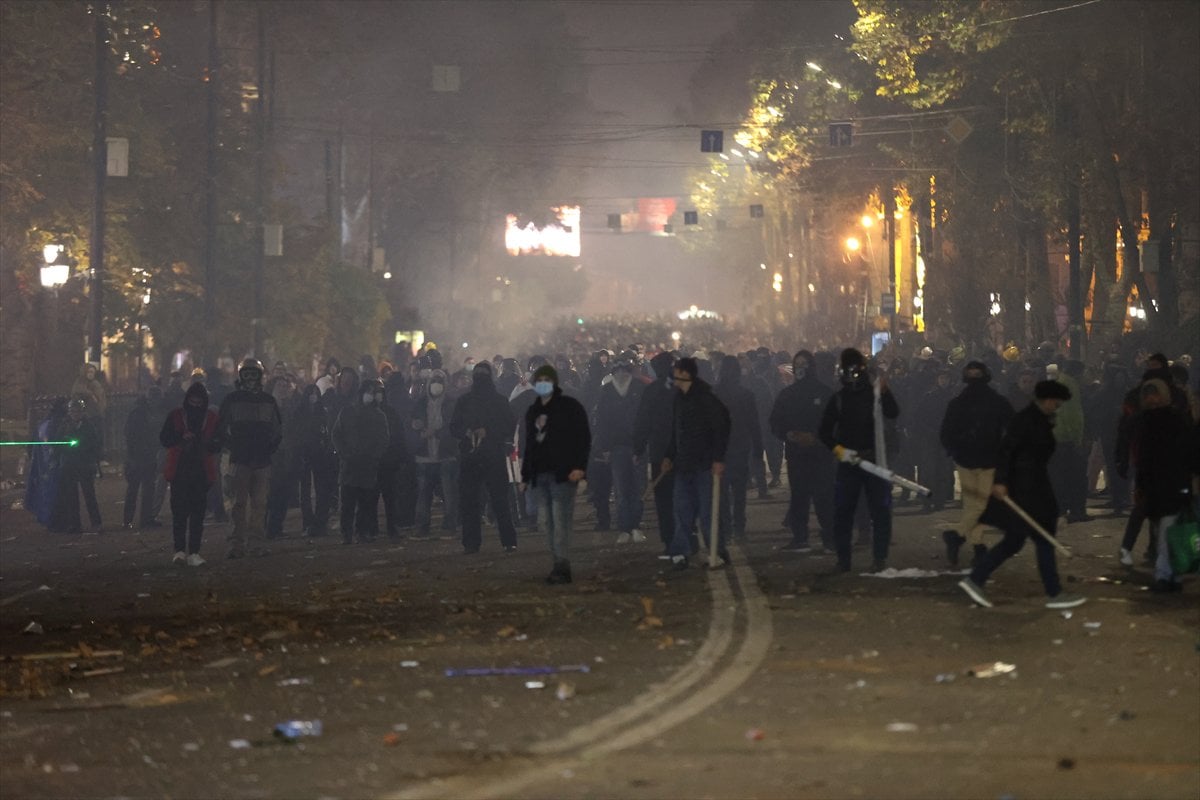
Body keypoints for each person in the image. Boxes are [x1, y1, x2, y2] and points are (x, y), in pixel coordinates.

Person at [957, 381, 1087, 609]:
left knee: (1016, 541)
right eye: (1056, 403)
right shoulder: (1026, 421)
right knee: (1041, 536)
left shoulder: (1038, 420)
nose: (1057, 408)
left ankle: (976, 579)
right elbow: (1006, 451)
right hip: (1026, 490)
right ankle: (1054, 593)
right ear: (1047, 400)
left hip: (1030, 486)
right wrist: (1000, 481)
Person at [818, 348, 900, 573]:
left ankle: (879, 558)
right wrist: (840, 452)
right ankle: (844, 560)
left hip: (875, 461)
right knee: (843, 512)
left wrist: (885, 392)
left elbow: (893, 412)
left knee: (880, 512)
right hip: (848, 463)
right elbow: (824, 432)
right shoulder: (839, 399)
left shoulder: (874, 394)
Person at [939, 361, 1014, 567]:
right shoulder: (996, 401)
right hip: (986, 460)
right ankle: (965, 540)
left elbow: (946, 433)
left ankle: (970, 542)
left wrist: (954, 451)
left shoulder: (958, 403)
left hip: (967, 459)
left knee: (973, 505)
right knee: (980, 505)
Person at [520, 365, 591, 584]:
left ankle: (562, 564)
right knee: (545, 521)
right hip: (539, 474)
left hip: (563, 474)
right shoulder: (532, 411)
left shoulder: (570, 407)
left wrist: (580, 467)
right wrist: (525, 475)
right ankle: (557, 561)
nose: (542, 383)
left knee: (560, 520)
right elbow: (529, 444)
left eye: (546, 380)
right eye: (538, 380)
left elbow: (583, 438)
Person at [662, 357, 731, 570]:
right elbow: (676, 432)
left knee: (708, 512)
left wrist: (718, 458)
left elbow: (721, 428)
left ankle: (716, 551)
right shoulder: (678, 399)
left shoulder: (707, 399)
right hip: (683, 465)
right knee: (681, 510)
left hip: (703, 465)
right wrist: (669, 456)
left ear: (685, 373)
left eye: (676, 372)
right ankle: (680, 553)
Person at [1125, 379, 1193, 592]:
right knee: (1163, 529)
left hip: (1172, 483)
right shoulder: (1146, 421)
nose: (1151, 399)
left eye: (1155, 395)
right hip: (1157, 484)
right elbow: (1143, 456)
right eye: (1148, 395)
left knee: (1167, 530)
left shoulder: (1174, 420)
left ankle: (1166, 574)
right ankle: (1171, 574)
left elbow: (1184, 452)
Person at [213, 358, 282, 558]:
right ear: (241, 376)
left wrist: (269, 448)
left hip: (261, 460)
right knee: (238, 504)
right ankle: (236, 544)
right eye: (247, 374)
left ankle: (256, 544)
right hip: (240, 459)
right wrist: (233, 445)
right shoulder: (232, 400)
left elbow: (277, 430)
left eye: (254, 374)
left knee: (260, 505)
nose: (251, 378)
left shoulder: (268, 401)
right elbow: (221, 428)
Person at [449, 361, 519, 554]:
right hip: (470, 457)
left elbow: (509, 426)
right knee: (470, 502)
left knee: (500, 501)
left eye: (483, 374)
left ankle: (508, 540)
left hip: (493, 456)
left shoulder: (500, 401)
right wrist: (467, 432)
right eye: (477, 373)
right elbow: (454, 426)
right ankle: (471, 543)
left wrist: (488, 431)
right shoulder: (464, 401)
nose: (479, 377)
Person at [769, 350, 835, 552]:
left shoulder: (824, 393)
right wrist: (790, 435)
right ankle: (800, 537)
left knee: (824, 498)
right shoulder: (787, 394)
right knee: (799, 497)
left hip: (821, 455)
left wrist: (815, 437)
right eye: (797, 364)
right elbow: (776, 422)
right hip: (797, 455)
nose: (801, 369)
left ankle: (830, 539)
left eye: (804, 364)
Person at [160, 382, 219, 565]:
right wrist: (181, 439)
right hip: (182, 470)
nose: (195, 404)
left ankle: (192, 551)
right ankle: (181, 551)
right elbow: (165, 439)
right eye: (192, 401)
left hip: (198, 470)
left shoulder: (210, 418)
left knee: (196, 513)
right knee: (180, 512)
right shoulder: (178, 416)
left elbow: (218, 441)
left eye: (198, 401)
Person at [330, 377, 390, 544]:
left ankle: (361, 531)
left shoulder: (379, 416)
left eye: (374, 393)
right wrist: (343, 452)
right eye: (369, 392)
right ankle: (346, 533)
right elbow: (336, 434)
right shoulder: (347, 412)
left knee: (366, 503)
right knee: (347, 503)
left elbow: (384, 439)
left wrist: (375, 456)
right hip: (349, 464)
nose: (371, 396)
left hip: (368, 465)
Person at [594, 359, 646, 544]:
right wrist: (605, 448)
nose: (622, 374)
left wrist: (642, 445)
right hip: (616, 448)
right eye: (618, 371)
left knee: (638, 488)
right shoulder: (607, 391)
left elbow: (644, 418)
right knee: (621, 490)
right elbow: (601, 421)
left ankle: (636, 526)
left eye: (625, 371)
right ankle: (624, 527)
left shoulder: (639, 389)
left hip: (636, 447)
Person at [713, 355, 763, 542]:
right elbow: (754, 423)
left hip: (720, 447)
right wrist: (758, 447)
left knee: (722, 490)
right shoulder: (745, 394)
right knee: (740, 489)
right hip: (740, 446)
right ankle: (739, 525)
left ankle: (726, 525)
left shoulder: (715, 394)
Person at [633, 351, 678, 555]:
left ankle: (670, 542)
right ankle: (688, 535)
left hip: (660, 452)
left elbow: (643, 421)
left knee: (665, 500)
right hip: (685, 451)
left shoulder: (652, 391)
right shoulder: (683, 388)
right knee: (684, 496)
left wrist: (638, 448)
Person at [411, 369, 459, 538]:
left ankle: (449, 526)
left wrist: (435, 433)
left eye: (439, 382)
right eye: (433, 382)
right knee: (424, 494)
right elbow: (412, 423)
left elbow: (454, 427)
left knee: (449, 494)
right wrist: (417, 426)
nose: (436, 386)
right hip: (424, 456)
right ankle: (422, 527)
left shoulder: (451, 404)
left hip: (446, 455)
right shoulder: (420, 403)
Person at [55, 398, 103, 534]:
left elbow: (94, 444)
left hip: (84, 464)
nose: (75, 414)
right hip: (69, 465)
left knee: (89, 495)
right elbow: (57, 444)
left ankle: (96, 523)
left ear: (82, 412)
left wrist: (81, 446)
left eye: (77, 411)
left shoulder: (88, 426)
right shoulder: (64, 425)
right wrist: (66, 445)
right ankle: (75, 524)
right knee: (71, 496)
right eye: (72, 411)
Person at [123, 385, 164, 530]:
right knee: (137, 489)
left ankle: (141, 519)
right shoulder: (140, 413)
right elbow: (130, 435)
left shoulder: (142, 412)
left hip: (147, 455)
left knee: (146, 489)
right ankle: (133, 519)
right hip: (139, 455)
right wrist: (133, 454)